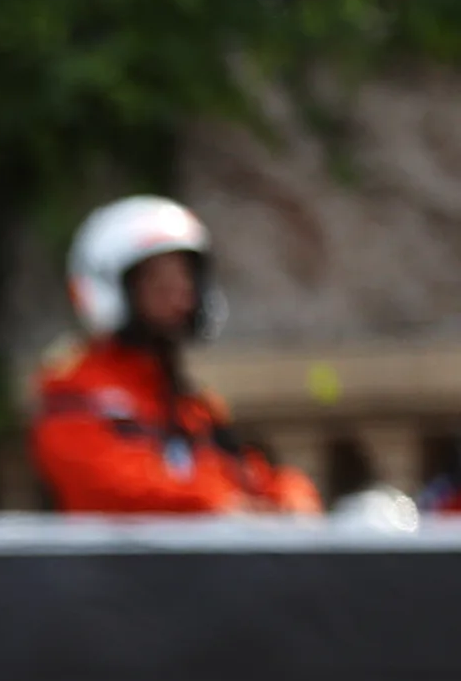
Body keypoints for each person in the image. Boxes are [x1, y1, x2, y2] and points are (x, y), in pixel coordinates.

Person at [32, 195, 319, 515]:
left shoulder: (189, 405)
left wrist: (289, 494)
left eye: (185, 275)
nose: (180, 292)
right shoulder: (77, 390)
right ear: (116, 286)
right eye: (157, 278)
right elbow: (110, 488)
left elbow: (246, 473)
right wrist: (214, 502)